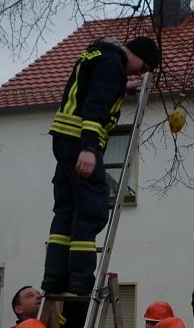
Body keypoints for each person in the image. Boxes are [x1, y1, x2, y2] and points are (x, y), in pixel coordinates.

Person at [41, 36, 161, 296]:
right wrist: (89, 148)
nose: (140, 73)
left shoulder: (97, 55)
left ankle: (54, 277)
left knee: (66, 209)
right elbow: (94, 105)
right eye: (143, 67)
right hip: (80, 142)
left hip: (64, 140)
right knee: (91, 210)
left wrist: (121, 88)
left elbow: (88, 89)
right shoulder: (112, 64)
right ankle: (81, 279)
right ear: (137, 54)